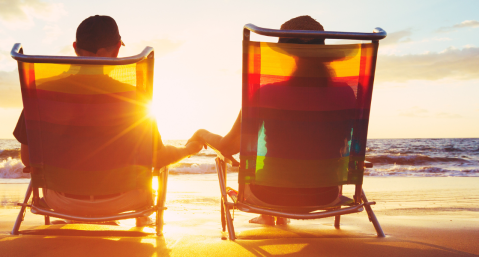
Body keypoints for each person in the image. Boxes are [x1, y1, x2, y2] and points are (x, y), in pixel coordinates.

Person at [13, 15, 203, 225]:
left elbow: (28, 159)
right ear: (116, 50)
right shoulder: (135, 98)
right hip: (124, 200)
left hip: (60, 201)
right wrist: (188, 150)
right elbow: (157, 159)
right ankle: (140, 220)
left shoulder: (42, 94)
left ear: (75, 47)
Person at [188, 15, 350, 226]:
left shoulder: (267, 93)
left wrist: (202, 134)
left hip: (268, 195)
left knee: (268, 168)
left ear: (289, 56)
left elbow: (230, 147)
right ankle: (274, 216)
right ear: (324, 54)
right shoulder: (345, 94)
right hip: (326, 194)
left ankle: (269, 213)